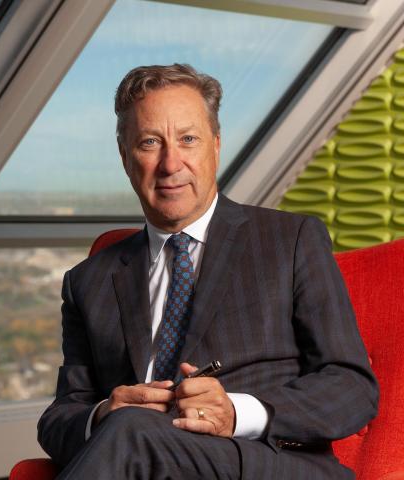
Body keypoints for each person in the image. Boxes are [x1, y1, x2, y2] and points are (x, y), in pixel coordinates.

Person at [38, 64, 378, 479]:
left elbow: (352, 388)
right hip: (140, 459)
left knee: (131, 430)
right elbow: (60, 418)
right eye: (149, 142)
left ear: (215, 146)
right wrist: (104, 413)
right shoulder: (87, 281)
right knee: (128, 426)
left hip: (267, 463)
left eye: (188, 139)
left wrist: (237, 412)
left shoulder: (290, 240)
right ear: (126, 157)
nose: (171, 163)